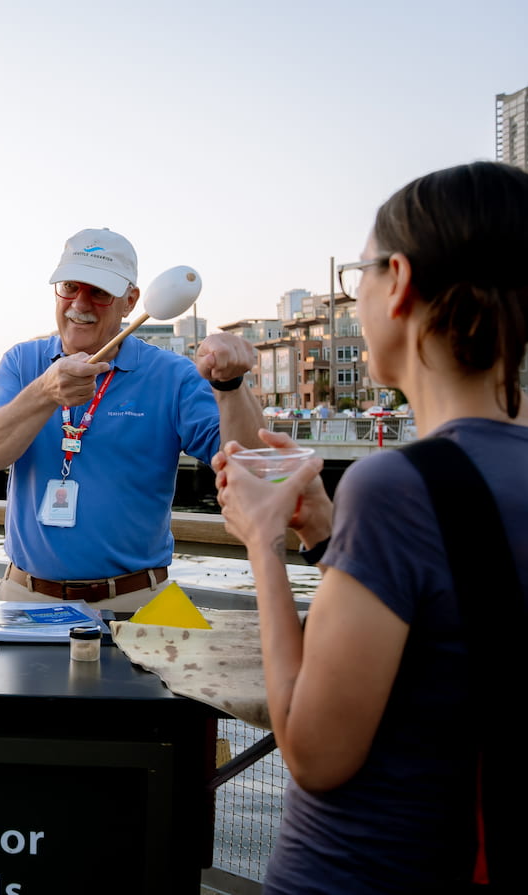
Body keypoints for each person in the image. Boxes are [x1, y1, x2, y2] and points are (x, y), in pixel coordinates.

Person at [214, 160, 528, 893]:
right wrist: (327, 534)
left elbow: (316, 753)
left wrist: (262, 543)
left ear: (402, 281)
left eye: (361, 276)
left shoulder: (396, 487)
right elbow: (463, 636)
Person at [0, 228, 264, 610]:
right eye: (70, 287)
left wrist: (232, 384)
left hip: (139, 597)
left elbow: (251, 469)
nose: (81, 303)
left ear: (131, 301)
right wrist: (45, 391)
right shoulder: (22, 363)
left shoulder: (171, 375)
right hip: (25, 593)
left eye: (100, 292)